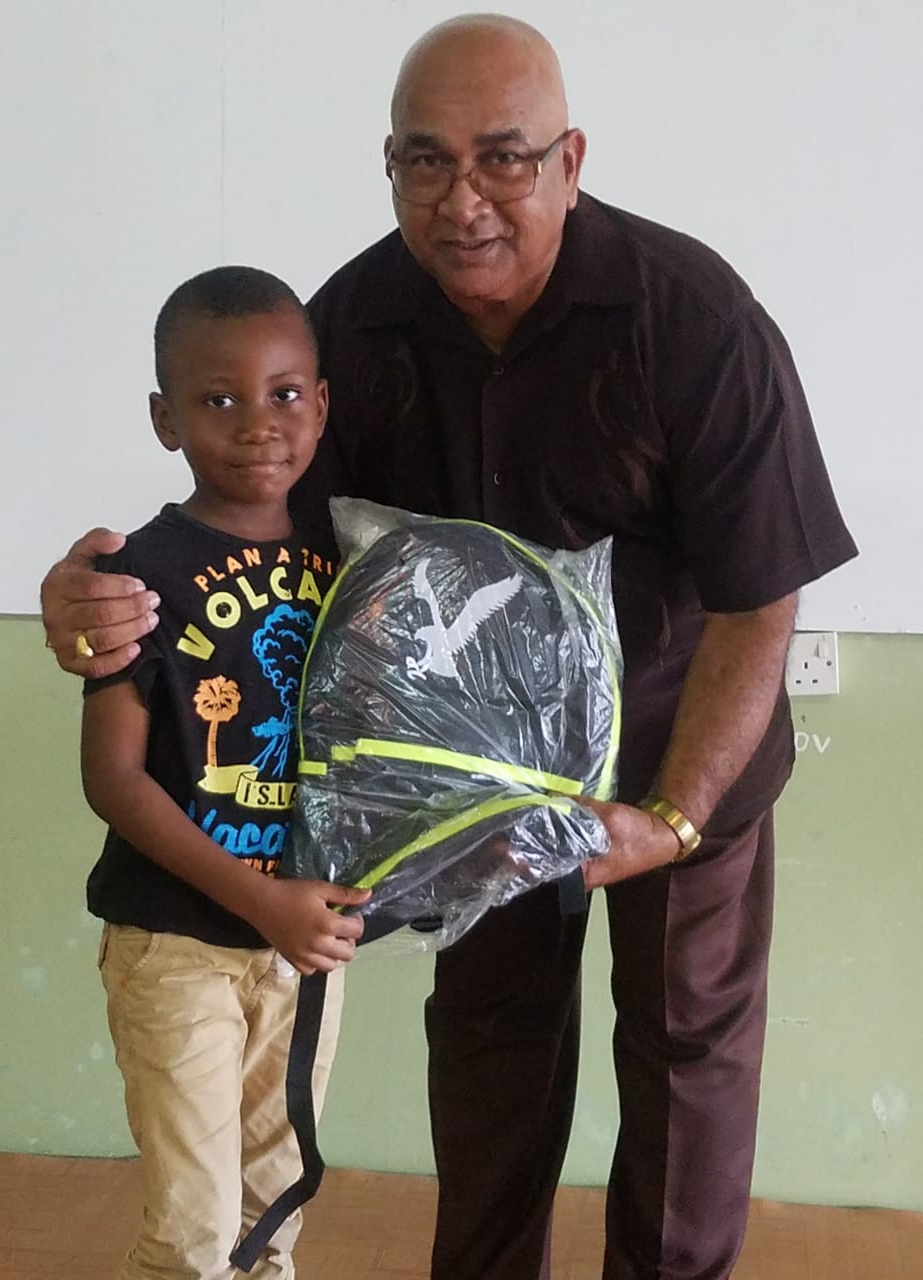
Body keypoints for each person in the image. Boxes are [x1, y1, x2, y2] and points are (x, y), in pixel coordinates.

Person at [42, 16, 858, 1280]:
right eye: (424, 161)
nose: (462, 199)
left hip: (675, 752)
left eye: (504, 159)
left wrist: (676, 818)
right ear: (388, 166)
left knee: (689, 1051)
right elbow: (248, 526)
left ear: (572, 158)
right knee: (490, 1051)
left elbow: (760, 598)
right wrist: (92, 590)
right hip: (456, 796)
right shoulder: (348, 328)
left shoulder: (689, 318)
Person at [77, 264, 370, 1280]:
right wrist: (261, 899)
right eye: (220, 399)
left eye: (286, 393)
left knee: (274, 1203)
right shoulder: (135, 573)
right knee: (195, 1228)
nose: (260, 423)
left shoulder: (352, 560)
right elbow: (114, 778)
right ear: (166, 418)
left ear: (321, 404)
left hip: (305, 949)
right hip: (175, 943)